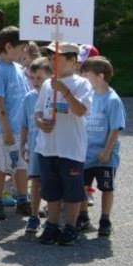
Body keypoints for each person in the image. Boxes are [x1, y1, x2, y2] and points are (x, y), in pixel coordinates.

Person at [35, 42, 92, 246]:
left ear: (72, 60)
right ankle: (51, 225)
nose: (53, 62)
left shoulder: (82, 84)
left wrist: (65, 91)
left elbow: (81, 111)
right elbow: (38, 110)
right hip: (48, 147)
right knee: (51, 189)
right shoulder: (46, 84)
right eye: (51, 58)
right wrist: (40, 122)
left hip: (71, 147)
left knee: (72, 191)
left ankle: (70, 226)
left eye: (57, 58)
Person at [0, 27, 31, 220]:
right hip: (6, 130)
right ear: (8, 47)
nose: (24, 52)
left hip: (20, 128)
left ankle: (23, 199)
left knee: (21, 165)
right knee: (2, 166)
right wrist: (7, 130)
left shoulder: (18, 68)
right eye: (21, 48)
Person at [78, 56, 125, 237]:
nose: (83, 78)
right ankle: (83, 217)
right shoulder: (87, 96)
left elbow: (116, 128)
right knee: (81, 186)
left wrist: (106, 152)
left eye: (87, 75)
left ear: (100, 76)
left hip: (105, 156)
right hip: (85, 153)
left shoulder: (112, 99)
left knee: (107, 188)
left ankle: (105, 220)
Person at [21, 57, 52, 233]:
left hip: (53, 146)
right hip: (34, 147)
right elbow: (24, 124)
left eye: (40, 78)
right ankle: (34, 216)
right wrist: (23, 145)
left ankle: (54, 214)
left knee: (53, 180)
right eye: (32, 78)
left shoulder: (55, 96)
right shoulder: (28, 98)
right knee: (36, 181)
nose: (35, 81)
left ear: (50, 76)